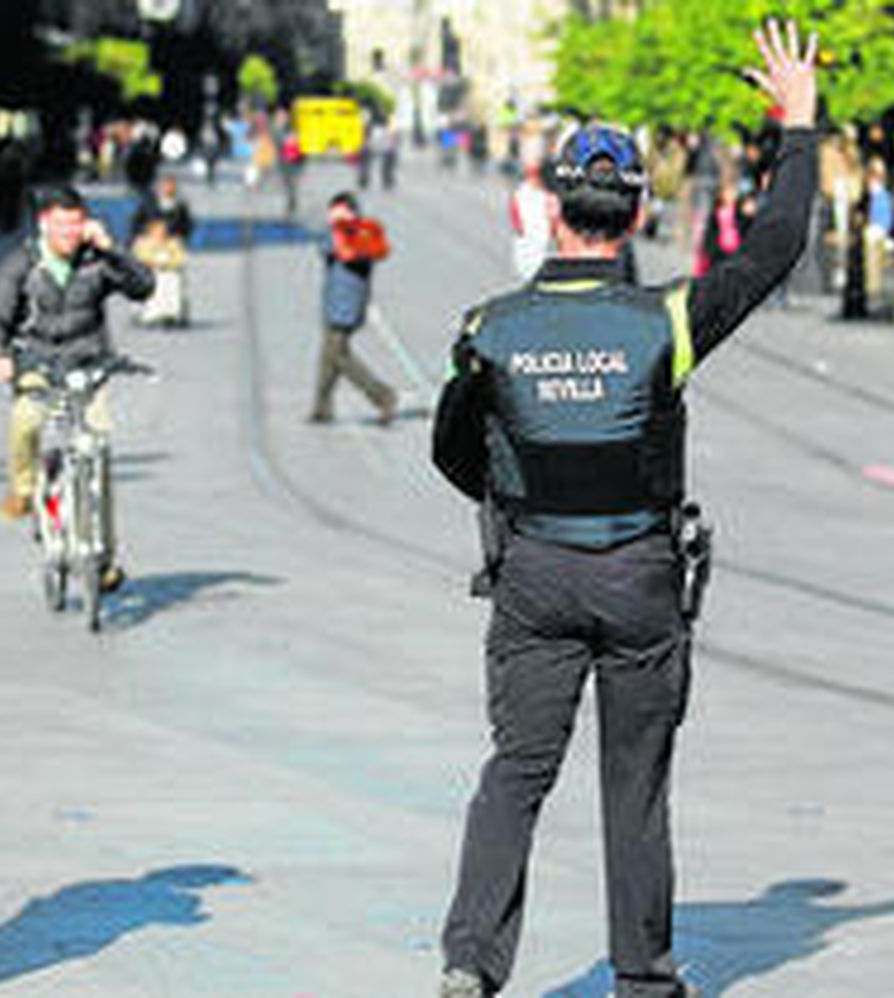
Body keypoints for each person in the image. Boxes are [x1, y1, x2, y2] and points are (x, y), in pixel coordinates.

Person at [430, 21, 819, 998]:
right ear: (636, 212)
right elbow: (774, 245)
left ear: (555, 210)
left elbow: (449, 448)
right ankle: (642, 975)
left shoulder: (488, 327)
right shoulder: (670, 321)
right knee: (634, 782)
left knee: (516, 769)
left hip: (534, 575)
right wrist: (799, 124)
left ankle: (471, 961)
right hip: (640, 575)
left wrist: (516, 492)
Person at [0, 185, 154, 590]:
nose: (70, 234)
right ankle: (23, 490)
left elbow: (143, 286)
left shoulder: (96, 261)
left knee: (98, 453)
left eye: (77, 224)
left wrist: (112, 249)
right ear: (44, 224)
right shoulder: (22, 264)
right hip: (37, 365)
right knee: (26, 420)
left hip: (88, 366)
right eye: (62, 225)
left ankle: (103, 558)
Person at [310, 191, 397, 425]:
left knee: (339, 357)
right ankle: (321, 407)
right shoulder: (341, 233)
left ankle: (383, 396)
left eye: (338, 211)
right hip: (334, 304)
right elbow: (323, 247)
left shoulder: (360, 234)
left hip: (346, 307)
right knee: (328, 356)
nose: (333, 216)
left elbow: (344, 252)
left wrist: (340, 227)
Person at [508, 158, 554, 281]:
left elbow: (517, 222)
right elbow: (516, 218)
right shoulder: (522, 192)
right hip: (531, 242)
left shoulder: (526, 193)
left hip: (535, 242)